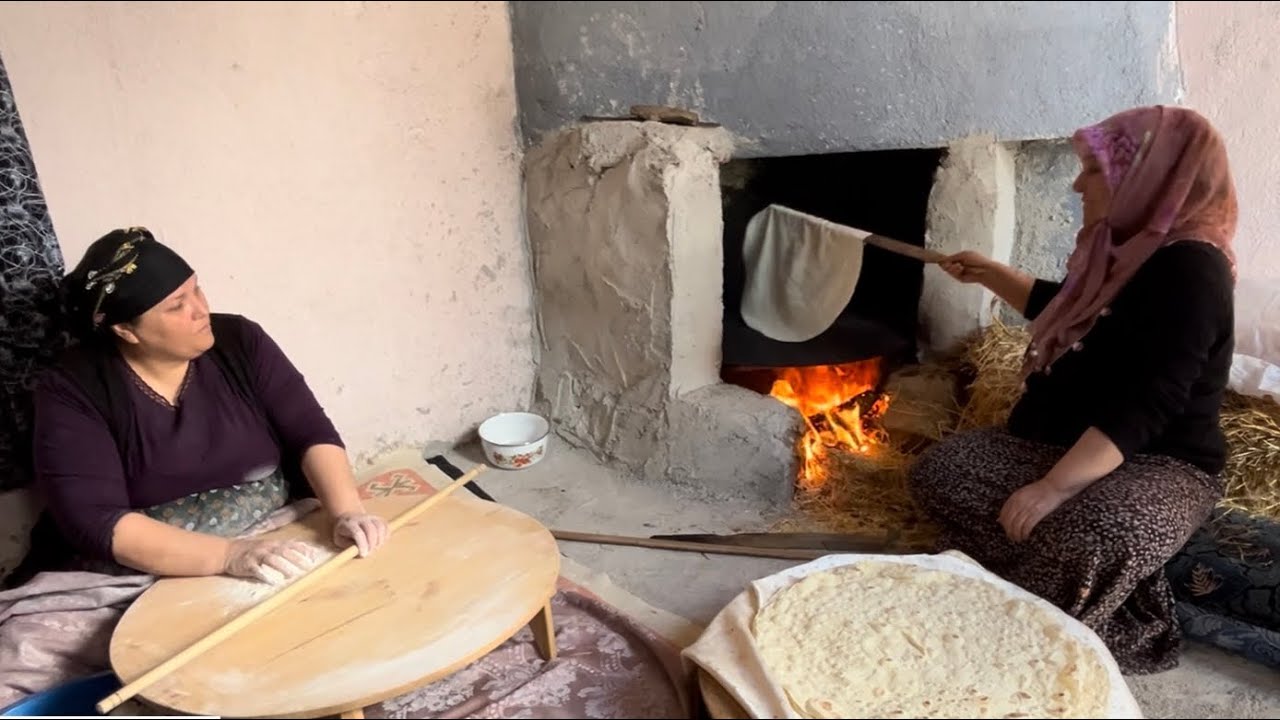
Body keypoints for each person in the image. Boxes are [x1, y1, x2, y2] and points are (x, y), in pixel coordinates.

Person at [908, 105, 1237, 675]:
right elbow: (1074, 310)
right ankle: (1061, 576)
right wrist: (989, 273)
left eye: (1093, 170)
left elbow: (1148, 406)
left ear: (1147, 177)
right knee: (940, 472)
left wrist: (1055, 488)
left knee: (1100, 530)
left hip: (1153, 461)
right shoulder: (1130, 251)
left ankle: (1078, 612)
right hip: (1060, 442)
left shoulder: (1192, 271)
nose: (1077, 183)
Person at [22, 227, 390, 586]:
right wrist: (230, 556)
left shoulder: (240, 341)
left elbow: (310, 432)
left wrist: (347, 512)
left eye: (196, 289)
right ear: (126, 331)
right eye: (176, 306)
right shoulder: (72, 389)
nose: (201, 310)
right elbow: (94, 519)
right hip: (151, 563)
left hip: (271, 527)